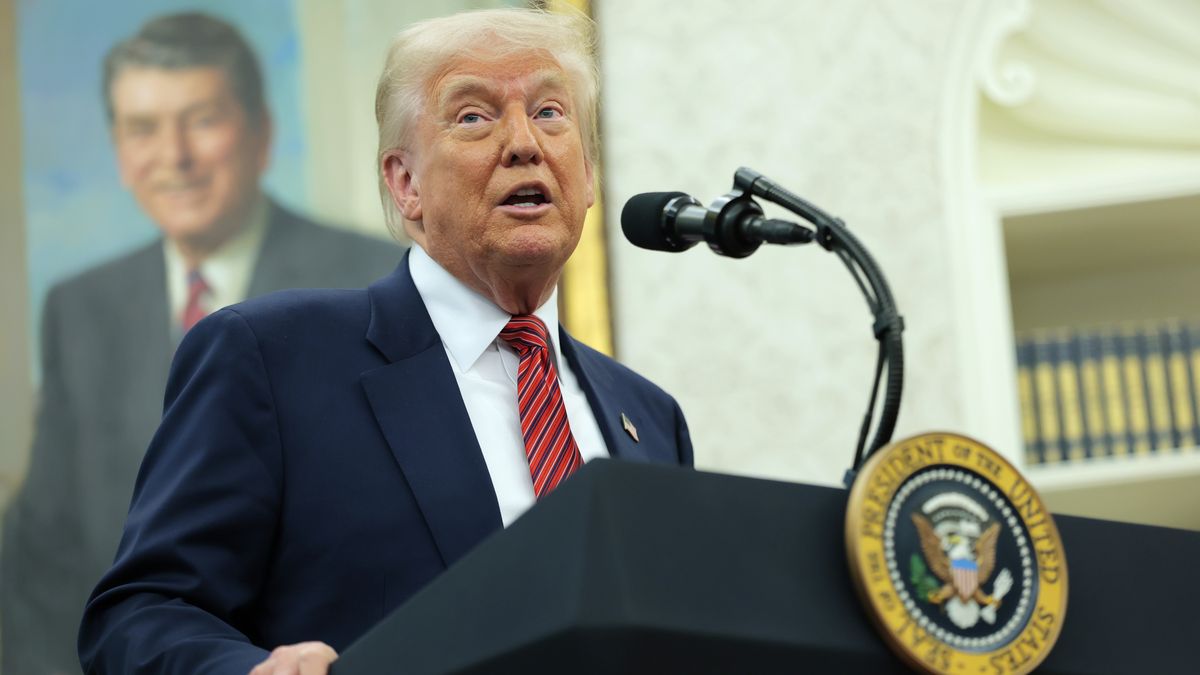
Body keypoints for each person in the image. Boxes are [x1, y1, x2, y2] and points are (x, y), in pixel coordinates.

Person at [78, 7, 693, 674]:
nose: (524, 143)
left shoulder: (652, 417)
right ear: (405, 183)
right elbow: (140, 612)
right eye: (473, 117)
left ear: (589, 173)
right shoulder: (271, 360)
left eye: (550, 112)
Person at [1, 13, 399, 674]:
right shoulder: (81, 308)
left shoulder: (371, 280)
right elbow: (48, 552)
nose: (174, 155)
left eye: (203, 119)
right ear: (118, 150)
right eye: (143, 129)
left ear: (262, 135)